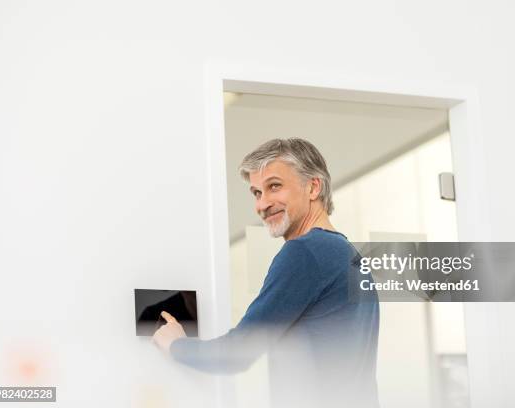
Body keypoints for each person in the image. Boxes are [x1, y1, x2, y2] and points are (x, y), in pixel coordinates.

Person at [153, 138, 380, 407]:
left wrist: (176, 344)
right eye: (257, 193)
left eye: (274, 186)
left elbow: (237, 353)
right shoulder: (348, 254)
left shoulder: (306, 252)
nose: (263, 204)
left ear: (313, 187)